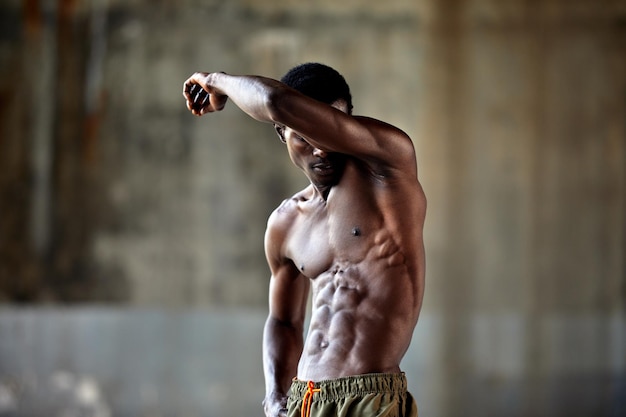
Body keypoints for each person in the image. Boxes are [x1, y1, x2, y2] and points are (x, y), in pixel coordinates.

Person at [182, 63, 426, 417]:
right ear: (282, 133)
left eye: (329, 132)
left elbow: (277, 101)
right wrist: (275, 397)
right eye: (304, 136)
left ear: (346, 126)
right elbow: (283, 321)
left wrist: (215, 82)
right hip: (303, 403)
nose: (321, 149)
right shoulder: (286, 222)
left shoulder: (388, 166)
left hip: (370, 400)